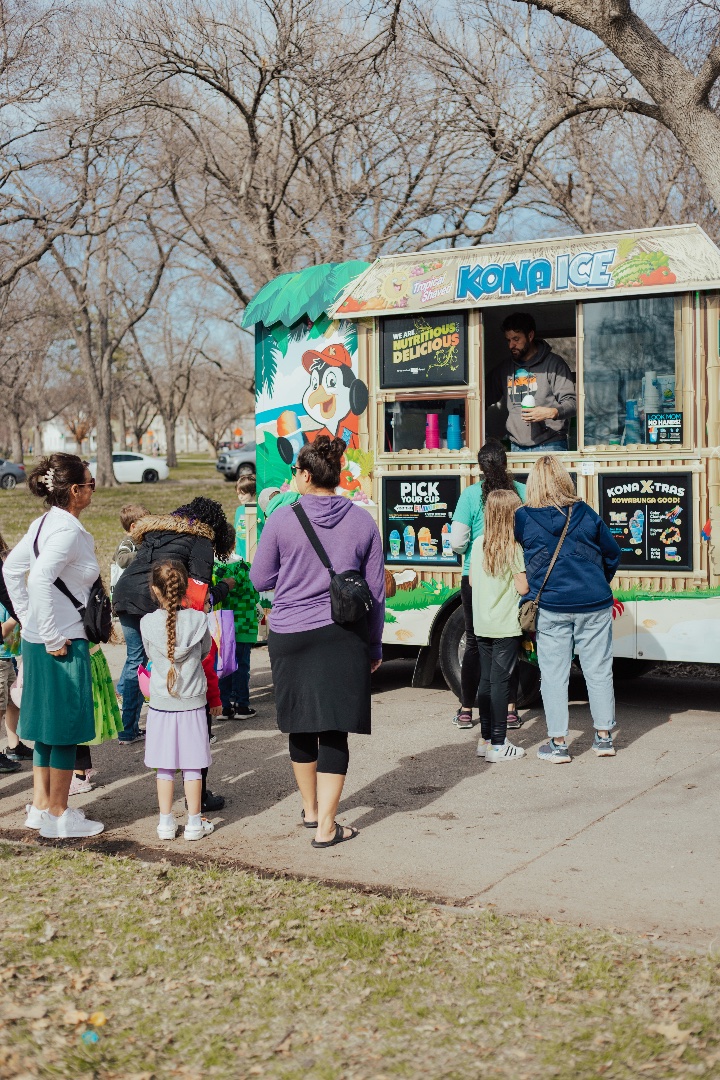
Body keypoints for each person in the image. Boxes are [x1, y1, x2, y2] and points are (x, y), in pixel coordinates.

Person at [250, 436, 385, 848]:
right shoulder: (363, 522)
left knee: (301, 725)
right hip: (343, 635)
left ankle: (310, 811)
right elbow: (376, 593)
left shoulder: (281, 518)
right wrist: (374, 647)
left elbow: (259, 578)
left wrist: (294, 575)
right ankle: (328, 826)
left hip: (290, 634)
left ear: (306, 476)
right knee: (334, 730)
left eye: (295, 471)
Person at [4, 453, 104, 838]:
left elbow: (12, 569)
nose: (93, 489)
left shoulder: (43, 523)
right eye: (91, 483)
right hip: (60, 642)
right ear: (75, 490)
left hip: (41, 640)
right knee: (65, 728)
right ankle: (60, 815)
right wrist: (49, 632)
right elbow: (37, 578)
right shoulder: (67, 531)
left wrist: (29, 620)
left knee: (46, 728)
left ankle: (42, 809)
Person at [514, 455, 622, 763]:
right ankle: (604, 738)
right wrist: (596, 582)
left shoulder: (523, 518)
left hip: (551, 605)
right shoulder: (584, 512)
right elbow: (612, 553)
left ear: (533, 484)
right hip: (594, 603)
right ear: (565, 480)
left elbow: (518, 551)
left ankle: (558, 744)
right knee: (598, 671)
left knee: (553, 675)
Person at [112, 496, 235, 747]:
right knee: (177, 656)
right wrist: (222, 590)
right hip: (153, 596)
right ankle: (185, 721)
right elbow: (199, 591)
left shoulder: (157, 531)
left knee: (136, 660)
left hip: (125, 592)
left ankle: (128, 730)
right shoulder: (201, 539)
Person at [449, 440, 527, 730]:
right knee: (512, 640)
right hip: (514, 571)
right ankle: (510, 710)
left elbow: (458, 542)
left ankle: (466, 709)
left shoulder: (470, 495)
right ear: (506, 464)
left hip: (477, 575)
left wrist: (470, 548)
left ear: (480, 468)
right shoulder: (521, 491)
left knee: (474, 642)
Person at [141, 561, 214, 842]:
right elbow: (205, 652)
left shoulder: (147, 623)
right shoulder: (199, 621)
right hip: (192, 703)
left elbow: (150, 654)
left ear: (154, 590)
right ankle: (194, 823)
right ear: (185, 588)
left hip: (162, 704)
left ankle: (165, 823)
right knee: (193, 766)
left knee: (164, 767)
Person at [470, 490, 529, 761]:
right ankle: (498, 743)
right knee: (501, 683)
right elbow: (523, 586)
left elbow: (472, 581)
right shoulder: (513, 547)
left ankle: (484, 740)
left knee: (485, 681)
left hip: (482, 623)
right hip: (505, 625)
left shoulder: (478, 543)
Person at [487, 312, 576, 452]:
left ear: (530, 336)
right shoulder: (505, 369)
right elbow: (482, 396)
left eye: (516, 339)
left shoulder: (554, 364)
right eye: (508, 340)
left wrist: (552, 412)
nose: (511, 345)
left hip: (551, 445)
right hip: (517, 447)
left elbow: (572, 403)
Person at [212, 558, 258, 721]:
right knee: (242, 667)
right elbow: (256, 597)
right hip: (245, 627)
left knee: (224, 667)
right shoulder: (249, 571)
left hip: (224, 626)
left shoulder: (219, 574)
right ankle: (242, 706)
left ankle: (224, 707)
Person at [233, 475, 256, 559]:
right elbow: (237, 534)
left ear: (253, 491)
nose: (240, 497)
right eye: (238, 494)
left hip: (256, 557)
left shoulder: (260, 511)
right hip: (241, 556)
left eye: (243, 493)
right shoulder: (239, 510)